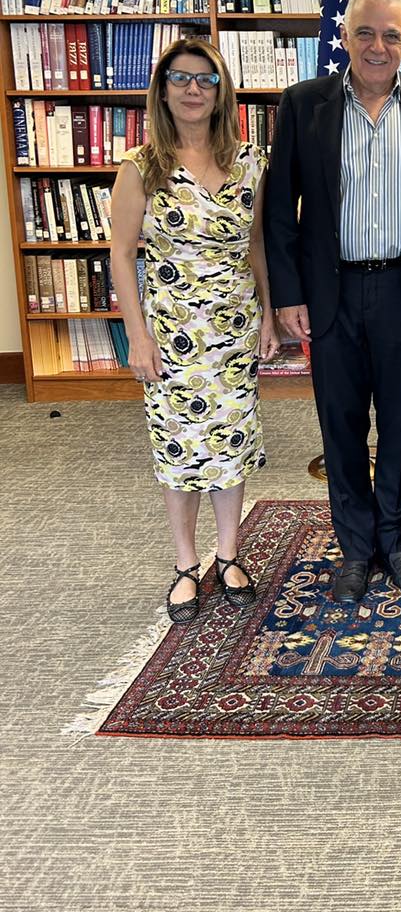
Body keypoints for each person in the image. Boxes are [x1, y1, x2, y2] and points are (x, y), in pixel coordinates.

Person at [264, 0, 401, 605]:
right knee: (341, 423)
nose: (378, 47)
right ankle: (355, 549)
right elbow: (279, 208)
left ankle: (395, 542)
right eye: (366, 33)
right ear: (345, 36)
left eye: (392, 36)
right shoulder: (304, 104)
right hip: (332, 292)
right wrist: (288, 294)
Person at [112, 38, 278, 624]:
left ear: (220, 92)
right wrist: (136, 336)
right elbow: (121, 255)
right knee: (179, 450)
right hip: (171, 336)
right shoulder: (141, 167)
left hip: (234, 330)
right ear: (162, 90)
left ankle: (228, 555)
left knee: (230, 445)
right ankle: (186, 563)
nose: (193, 89)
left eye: (206, 80)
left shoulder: (251, 162)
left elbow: (256, 244)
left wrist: (269, 314)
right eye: (181, 78)